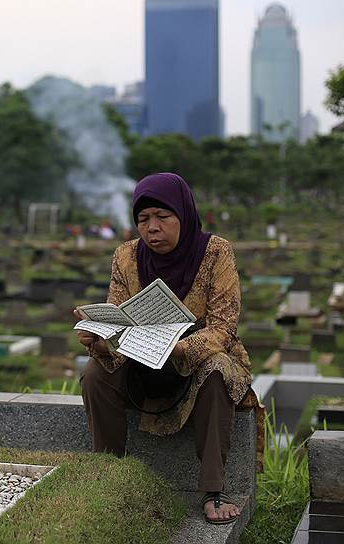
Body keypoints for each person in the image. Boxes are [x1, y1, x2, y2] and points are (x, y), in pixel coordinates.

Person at [76, 172, 258, 525]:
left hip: (197, 364)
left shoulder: (217, 252)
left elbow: (223, 329)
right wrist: (101, 341)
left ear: (184, 214)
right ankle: (109, 474)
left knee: (218, 369)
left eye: (162, 217)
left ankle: (213, 492)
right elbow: (118, 320)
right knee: (95, 375)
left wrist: (176, 347)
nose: (152, 228)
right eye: (143, 219)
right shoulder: (125, 257)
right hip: (142, 362)